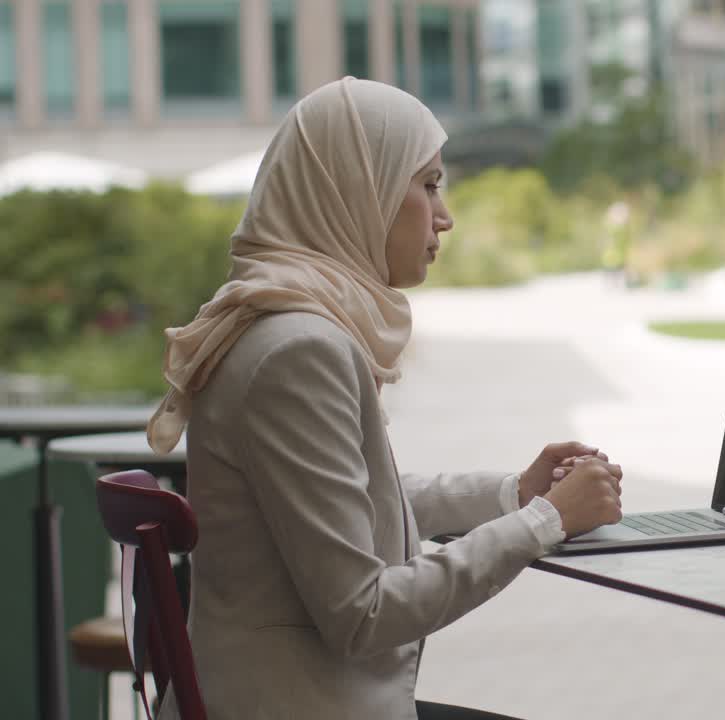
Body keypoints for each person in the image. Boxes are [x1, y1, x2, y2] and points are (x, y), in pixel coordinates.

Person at [146, 78, 625, 720]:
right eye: (428, 184)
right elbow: (363, 613)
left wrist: (516, 494)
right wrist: (544, 523)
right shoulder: (298, 349)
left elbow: (359, 502)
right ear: (357, 191)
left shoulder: (285, 323)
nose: (444, 216)